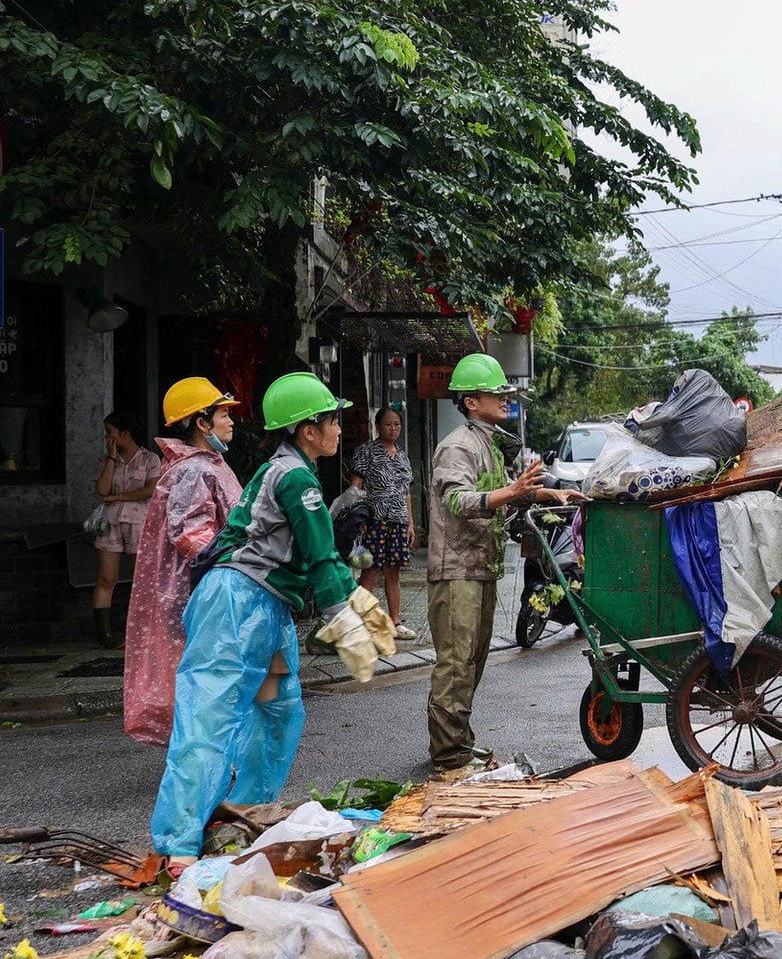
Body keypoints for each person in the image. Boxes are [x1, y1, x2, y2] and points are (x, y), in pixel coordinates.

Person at [150, 373, 390, 869]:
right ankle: (178, 843)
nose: (339, 429)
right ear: (308, 430)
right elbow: (320, 557)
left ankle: (244, 812)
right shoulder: (295, 478)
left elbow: (321, 559)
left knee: (278, 711)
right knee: (210, 717)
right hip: (235, 605)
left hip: (266, 609)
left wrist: (365, 609)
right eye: (332, 421)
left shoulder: (290, 472)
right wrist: (348, 624)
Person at [427, 353, 582, 779]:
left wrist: (547, 495)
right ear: (471, 402)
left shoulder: (488, 444)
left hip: (479, 566)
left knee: (472, 662)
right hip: (456, 569)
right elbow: (457, 501)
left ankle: (457, 743)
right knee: (456, 664)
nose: (505, 398)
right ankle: (448, 757)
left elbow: (504, 493)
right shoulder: (458, 446)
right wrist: (513, 491)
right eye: (496, 393)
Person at [122, 379, 243, 747]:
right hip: (202, 591)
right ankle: (204, 756)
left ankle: (208, 753)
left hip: (207, 588)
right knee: (206, 678)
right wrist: (235, 564)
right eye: (223, 414)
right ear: (202, 423)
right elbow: (191, 535)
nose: (231, 421)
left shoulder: (207, 464)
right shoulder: (194, 470)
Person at [91, 412, 162, 647]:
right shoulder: (106, 461)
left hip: (139, 522)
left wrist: (119, 497)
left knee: (142, 578)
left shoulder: (150, 459)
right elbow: (102, 490)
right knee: (106, 577)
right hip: (110, 523)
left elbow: (150, 490)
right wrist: (111, 458)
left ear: (125, 433)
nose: (107, 438)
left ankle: (143, 632)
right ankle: (105, 635)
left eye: (110, 432)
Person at [349, 406, 419, 641]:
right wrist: (357, 517)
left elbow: (406, 493)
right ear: (378, 426)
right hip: (373, 520)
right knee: (369, 570)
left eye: (397, 424)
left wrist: (410, 523)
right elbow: (355, 487)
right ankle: (359, 623)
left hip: (398, 521)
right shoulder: (366, 452)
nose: (393, 428)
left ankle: (395, 622)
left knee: (393, 571)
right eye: (388, 424)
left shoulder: (402, 456)